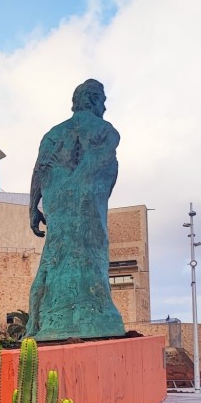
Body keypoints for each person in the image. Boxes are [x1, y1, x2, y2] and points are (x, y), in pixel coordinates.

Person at [25, 79, 125, 341]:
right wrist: (79, 186)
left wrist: (33, 207)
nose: (104, 106)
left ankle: (44, 319)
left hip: (57, 201)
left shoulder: (53, 135)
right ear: (93, 99)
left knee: (54, 254)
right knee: (89, 253)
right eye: (102, 100)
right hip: (85, 201)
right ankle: (93, 316)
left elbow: (40, 170)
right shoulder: (105, 130)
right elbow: (100, 168)